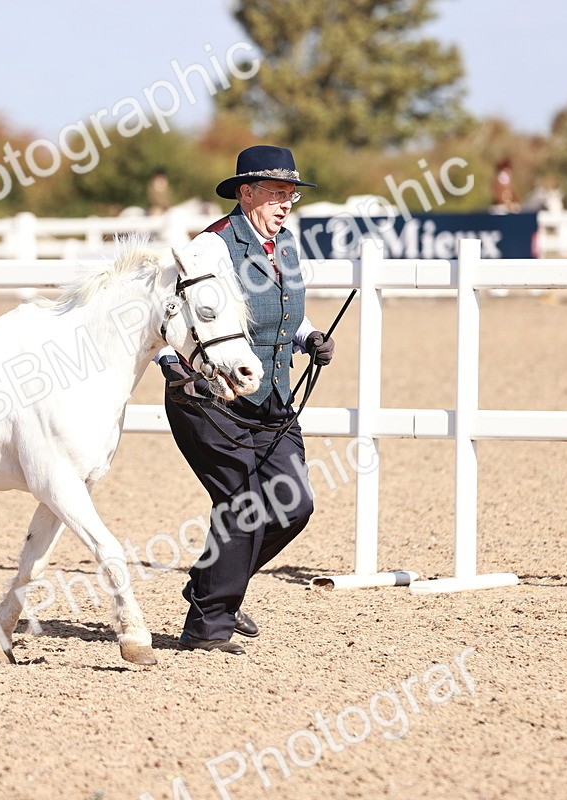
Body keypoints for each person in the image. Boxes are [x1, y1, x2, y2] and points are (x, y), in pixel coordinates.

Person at [156, 145, 335, 655]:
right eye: (277, 193)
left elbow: (283, 314)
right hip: (212, 397)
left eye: (291, 195)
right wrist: (171, 366)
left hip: (273, 396)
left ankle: (209, 586)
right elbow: (169, 314)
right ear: (246, 192)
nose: (286, 204)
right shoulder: (211, 248)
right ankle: (208, 627)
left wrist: (309, 338)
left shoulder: (286, 247)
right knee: (240, 504)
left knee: (293, 505)